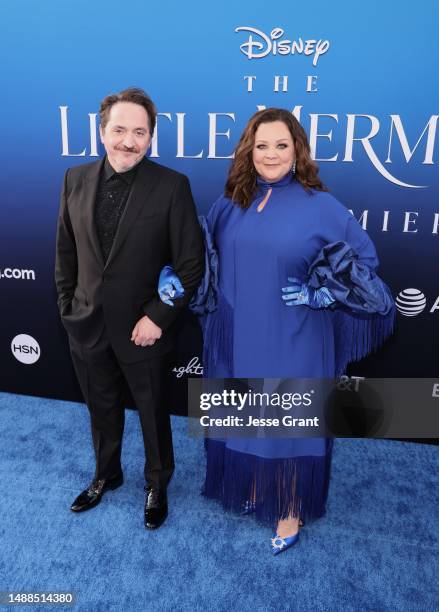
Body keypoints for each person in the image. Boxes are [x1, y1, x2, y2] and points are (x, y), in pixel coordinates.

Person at [159, 108, 395, 553]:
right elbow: (203, 255)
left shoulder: (322, 206)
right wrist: (173, 272)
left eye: (281, 145)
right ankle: (254, 486)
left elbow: (366, 265)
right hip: (237, 333)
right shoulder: (229, 202)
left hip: (296, 335)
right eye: (261, 145)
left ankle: (289, 505)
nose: (270, 154)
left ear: (297, 150)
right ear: (248, 150)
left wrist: (322, 293)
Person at [55, 87, 204, 529]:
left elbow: (191, 265)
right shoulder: (74, 179)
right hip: (86, 324)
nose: (128, 140)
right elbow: (65, 252)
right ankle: (107, 474)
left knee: (153, 412)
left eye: (139, 132)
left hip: (144, 329)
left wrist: (157, 318)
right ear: (102, 132)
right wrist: (68, 306)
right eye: (119, 129)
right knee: (100, 409)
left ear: (151, 137)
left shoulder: (172, 186)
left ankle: (157, 483)